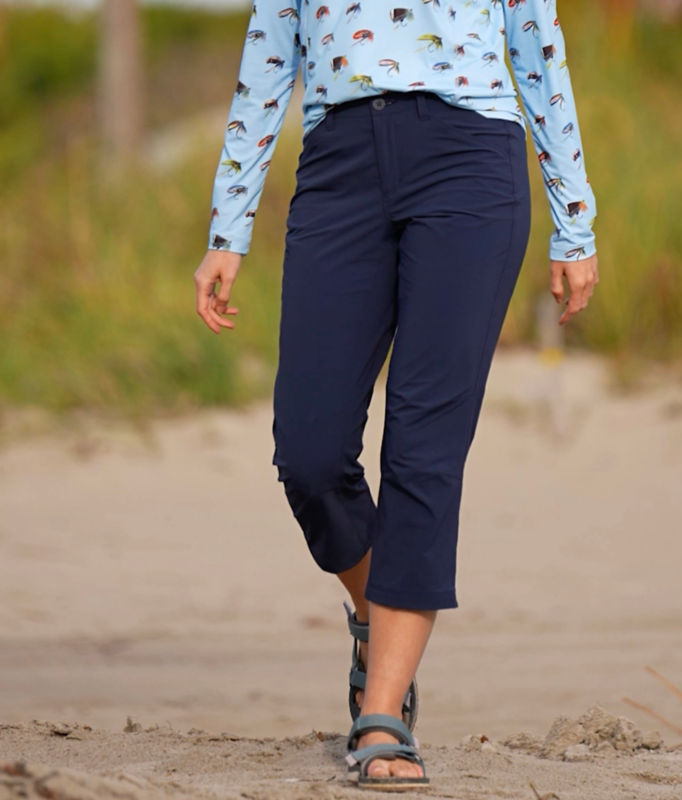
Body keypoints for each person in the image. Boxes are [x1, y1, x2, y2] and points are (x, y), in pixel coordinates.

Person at [194, 0, 599, 790]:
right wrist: (227, 228)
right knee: (309, 454)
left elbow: (538, 48)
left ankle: (381, 715)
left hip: (470, 161)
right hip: (338, 167)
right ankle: (375, 617)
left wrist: (573, 219)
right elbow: (266, 62)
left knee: (422, 450)